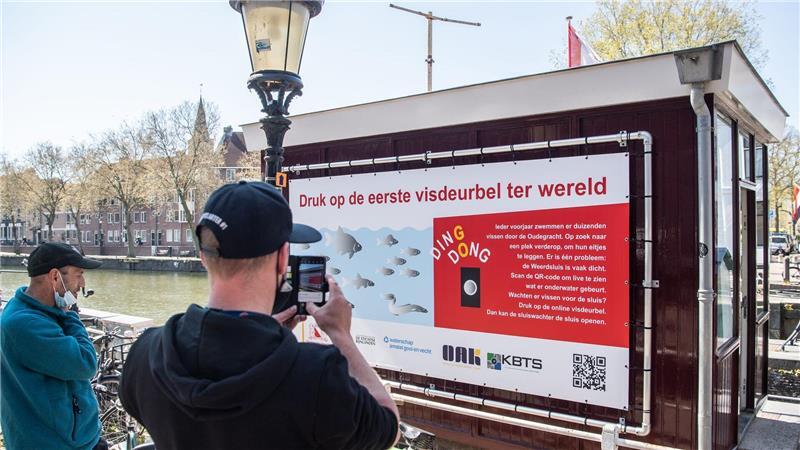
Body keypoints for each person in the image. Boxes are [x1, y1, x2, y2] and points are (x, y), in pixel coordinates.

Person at [119, 181, 399, 450]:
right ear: (282, 258)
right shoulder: (317, 375)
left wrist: (261, 343)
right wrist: (340, 334)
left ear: (203, 256)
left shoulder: (146, 354)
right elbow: (387, 425)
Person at [0, 242, 104, 450]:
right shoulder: (26, 324)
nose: (82, 284)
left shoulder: (35, 311)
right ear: (55, 276)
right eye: (78, 274)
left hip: (76, 439)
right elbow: (86, 363)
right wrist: (71, 313)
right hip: (57, 444)